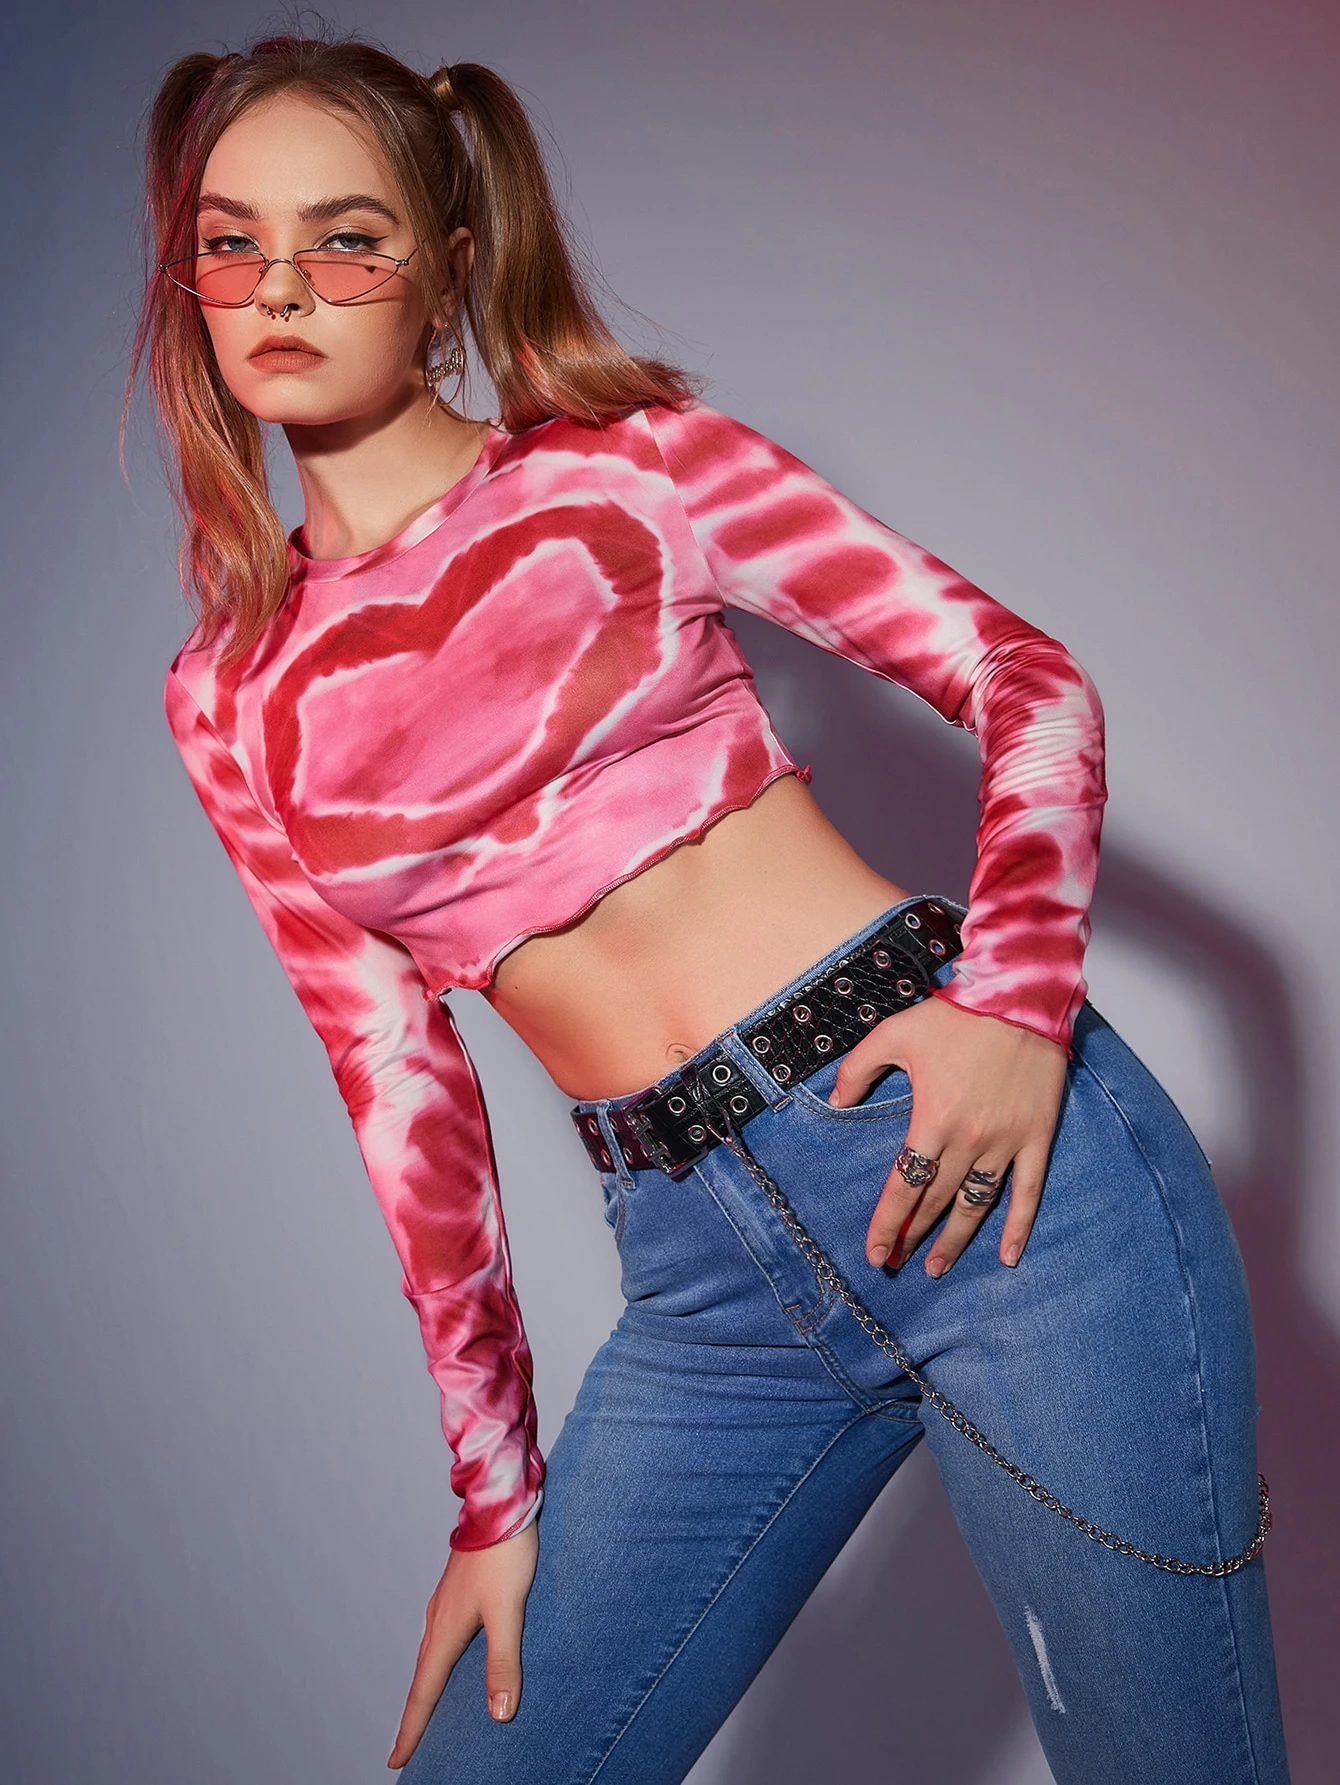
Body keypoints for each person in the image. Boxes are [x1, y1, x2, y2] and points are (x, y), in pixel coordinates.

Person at [131, 32, 1289, 1785]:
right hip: (708, 1291)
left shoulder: (639, 472)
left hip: (999, 1185)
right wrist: (494, 1496)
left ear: (448, 265)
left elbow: (1025, 678)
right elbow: (399, 1087)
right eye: (232, 244)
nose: (281, 287)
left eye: (346, 240)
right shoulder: (228, 695)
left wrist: (1018, 1002)